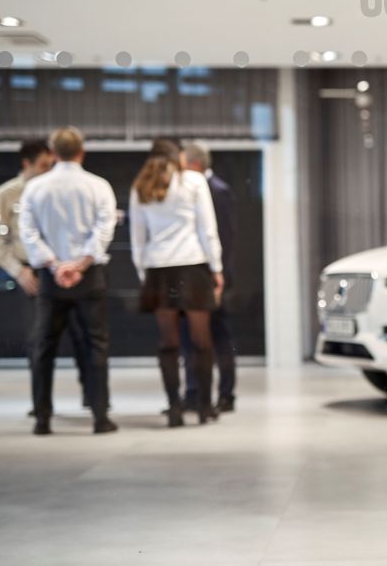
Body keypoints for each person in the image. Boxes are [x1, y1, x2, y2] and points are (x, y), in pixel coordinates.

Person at [18, 127, 118, 435]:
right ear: (82, 152)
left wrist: (55, 265)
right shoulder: (98, 186)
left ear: (52, 153)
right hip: (89, 277)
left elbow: (28, 233)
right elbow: (104, 229)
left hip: (51, 279)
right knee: (96, 345)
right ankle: (100, 417)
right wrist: (81, 264)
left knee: (43, 348)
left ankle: (42, 419)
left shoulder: (35, 188)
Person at [0, 139, 92, 413]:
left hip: (69, 268)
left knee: (83, 335)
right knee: (40, 340)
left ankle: (93, 395)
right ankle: (41, 405)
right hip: (33, 273)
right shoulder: (6, 194)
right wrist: (18, 271)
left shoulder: (58, 188)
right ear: (27, 163)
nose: (50, 169)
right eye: (44, 165)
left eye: (51, 163)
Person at [129, 139, 224, 427]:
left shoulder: (140, 186)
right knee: (202, 342)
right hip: (192, 267)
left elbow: (138, 239)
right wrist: (216, 267)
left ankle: (174, 408)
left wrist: (144, 274)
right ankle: (205, 407)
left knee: (168, 343)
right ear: (177, 156)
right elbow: (207, 229)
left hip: (158, 270)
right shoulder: (193, 181)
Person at [179, 140, 238, 412]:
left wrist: (218, 275)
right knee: (190, 337)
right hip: (193, 276)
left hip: (213, 276)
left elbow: (225, 237)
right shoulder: (188, 190)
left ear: (194, 164)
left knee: (219, 335)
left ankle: (226, 394)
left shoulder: (218, 191)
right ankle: (193, 393)